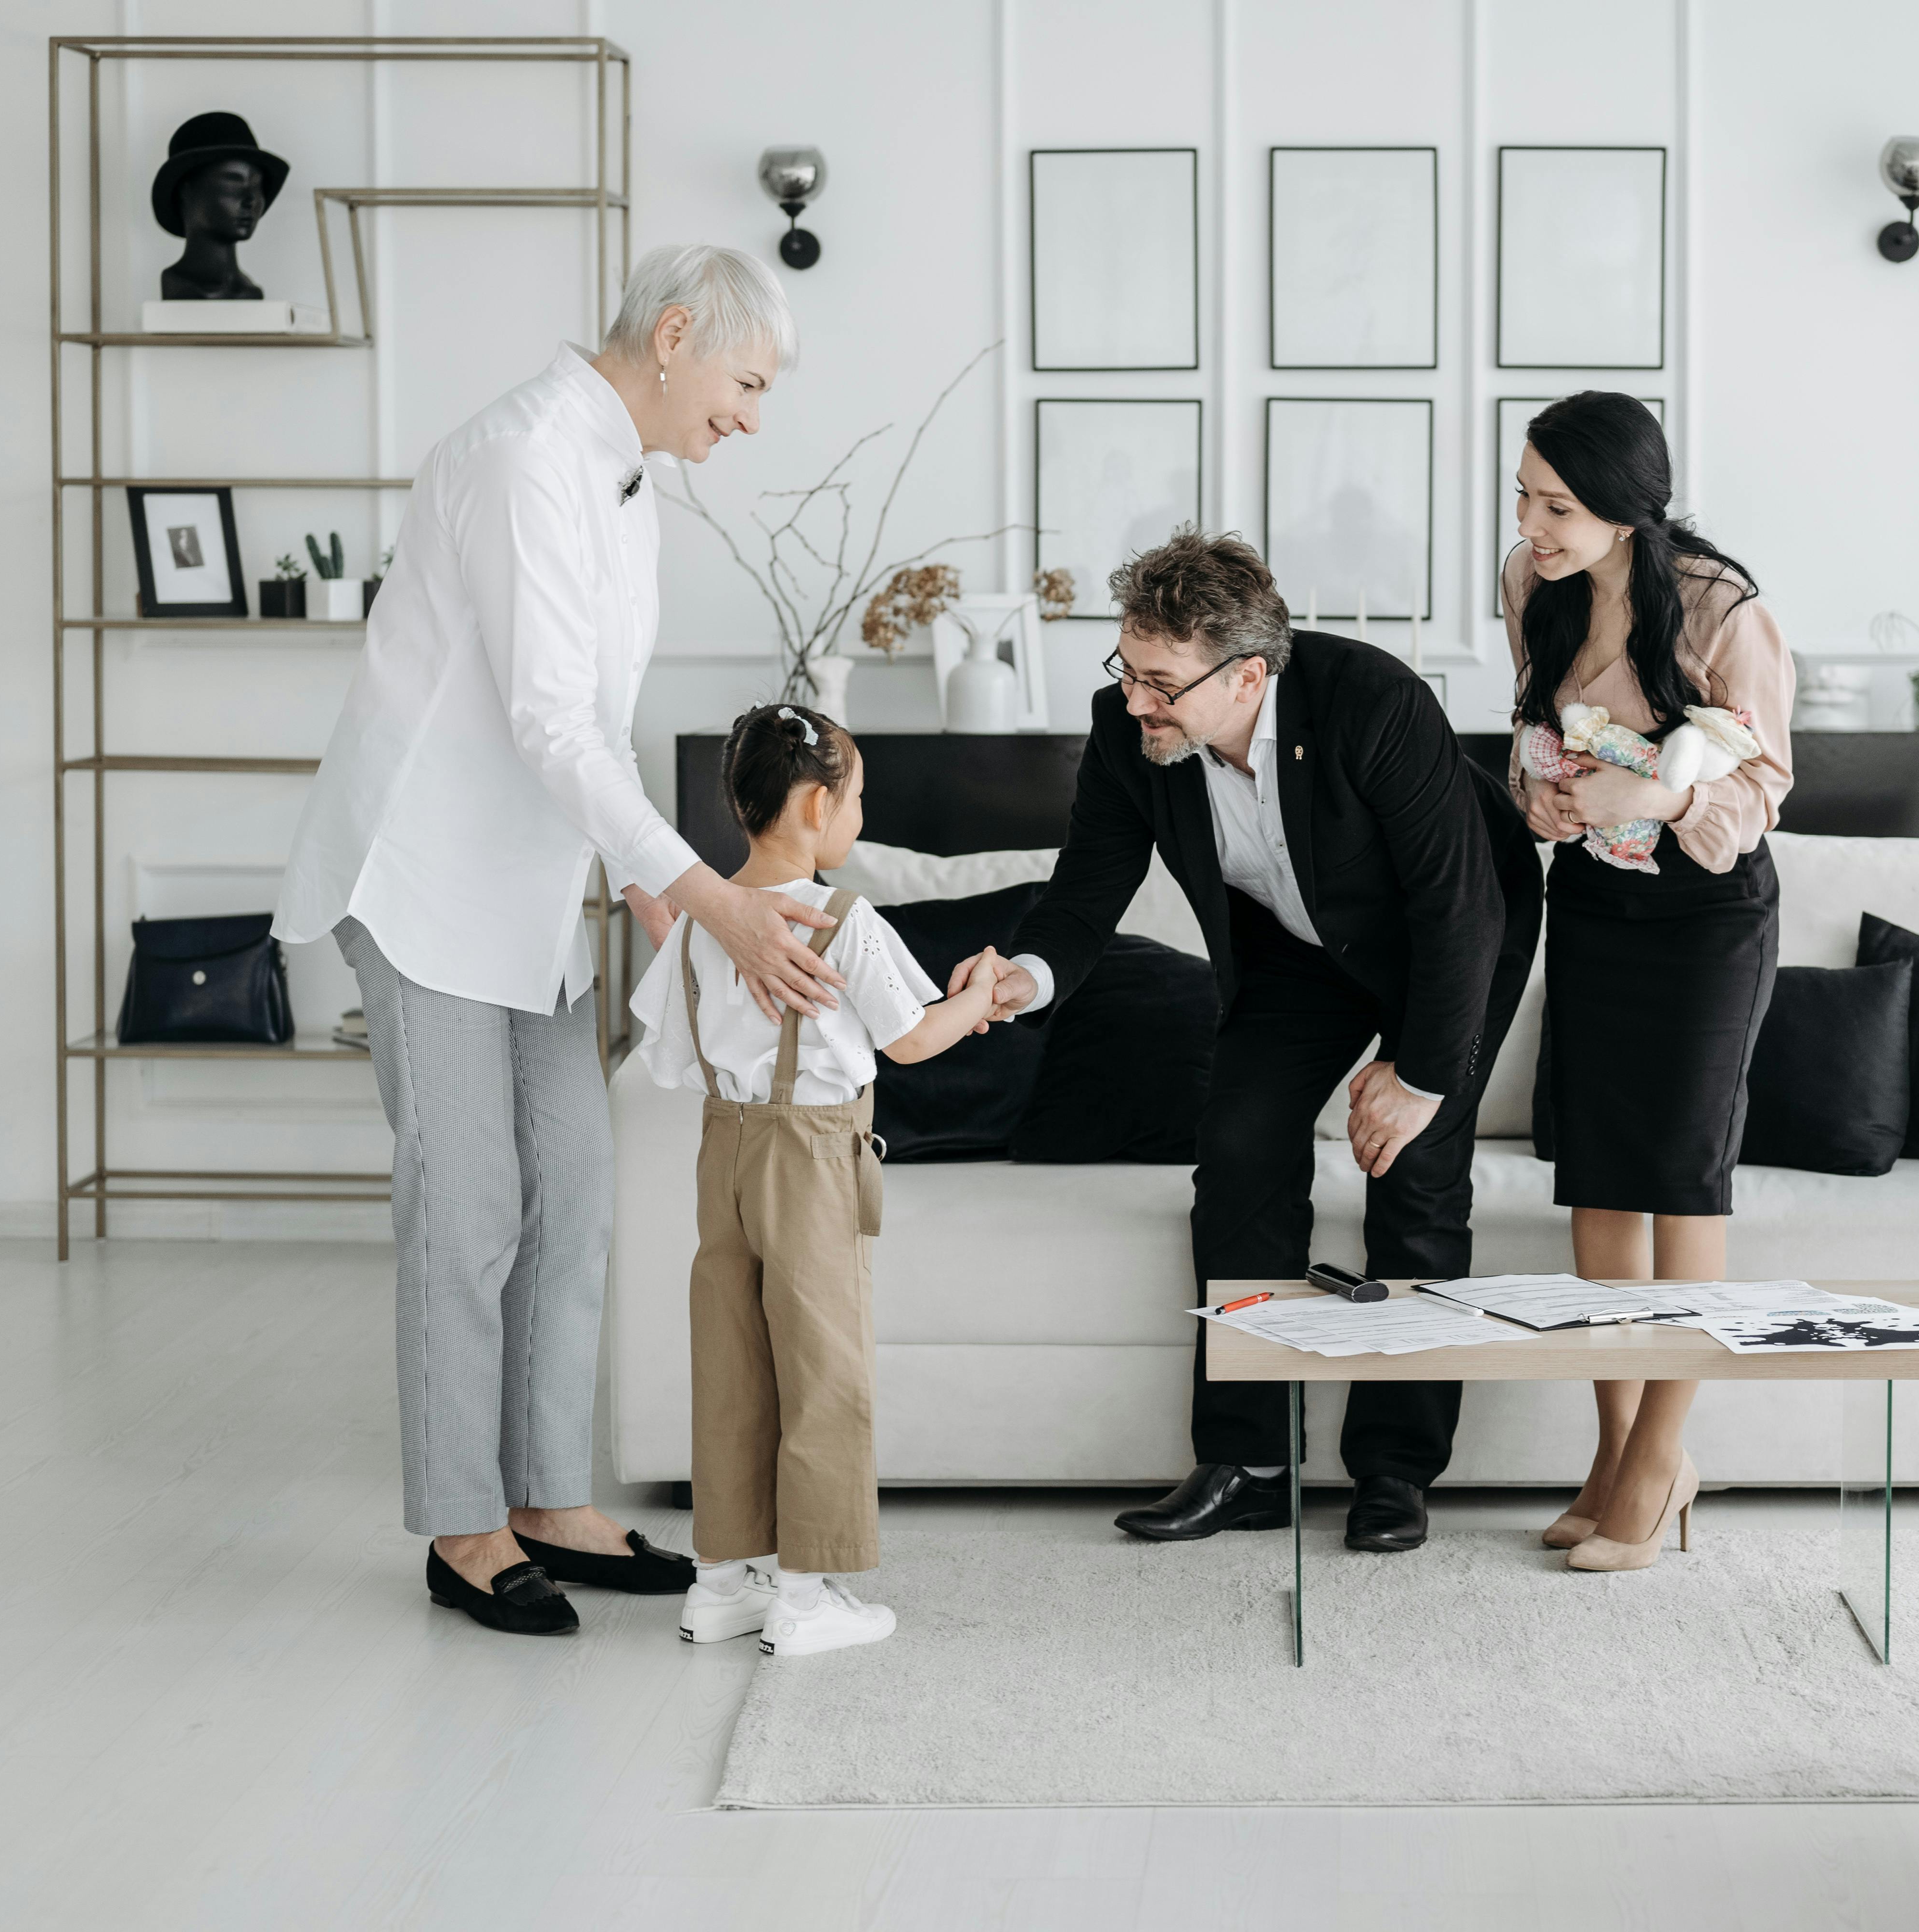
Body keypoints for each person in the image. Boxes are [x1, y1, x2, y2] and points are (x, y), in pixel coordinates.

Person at [273, 245, 855, 1637]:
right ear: (672, 337)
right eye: (748, 383)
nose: (753, 417)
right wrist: (704, 891)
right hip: (422, 879)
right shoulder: (523, 455)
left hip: (527, 886)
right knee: (468, 1204)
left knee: (576, 1187)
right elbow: (546, 719)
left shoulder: (630, 481)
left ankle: (547, 1496)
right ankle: (463, 1528)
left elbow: (581, 729)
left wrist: (649, 889)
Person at [966, 529, 1539, 1554]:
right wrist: (1029, 975)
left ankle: (1394, 1471)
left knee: (1414, 1177)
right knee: (1235, 1153)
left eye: (1160, 682)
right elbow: (1087, 887)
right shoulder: (1126, 732)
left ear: (1246, 675)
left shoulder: (1372, 701)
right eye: (1125, 669)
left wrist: (1415, 1076)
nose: (1136, 699)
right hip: (1289, 952)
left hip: (1447, 940)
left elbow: (1458, 909)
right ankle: (1250, 1461)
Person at [629, 705, 1008, 1658]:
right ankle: (806, 1592)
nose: (859, 817)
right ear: (811, 803)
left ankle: (722, 1580)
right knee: (822, 1367)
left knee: (732, 1364)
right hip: (811, 1157)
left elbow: (668, 1060)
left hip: (724, 1151)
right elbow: (912, 1039)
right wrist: (972, 1000)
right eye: (857, 799)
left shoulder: (699, 924)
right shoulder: (844, 919)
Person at [1505, 392, 1793, 1573]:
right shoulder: (1532, 583)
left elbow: (1766, 780)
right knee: (1601, 1178)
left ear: (1628, 509)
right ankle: (1616, 1451)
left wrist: (1659, 797)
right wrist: (1542, 797)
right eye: (1523, 494)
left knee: (1680, 1178)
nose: (1532, 523)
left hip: (1705, 916)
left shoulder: (1724, 609)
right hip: (1592, 901)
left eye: (1557, 505)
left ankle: (1667, 1455)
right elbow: (1532, 730)